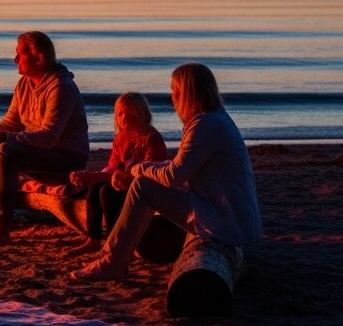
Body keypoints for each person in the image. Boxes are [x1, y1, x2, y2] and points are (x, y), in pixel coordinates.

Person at [71, 63, 262, 281]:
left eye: (174, 90)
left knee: (142, 187)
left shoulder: (205, 126)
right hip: (228, 214)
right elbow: (179, 167)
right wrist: (142, 169)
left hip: (226, 221)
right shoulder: (214, 120)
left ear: (185, 93)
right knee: (143, 183)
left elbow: (173, 176)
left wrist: (135, 168)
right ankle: (113, 257)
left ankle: (112, 262)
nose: (171, 95)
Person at [0, 31, 89, 248]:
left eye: (20, 54)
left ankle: (1, 227)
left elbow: (48, 138)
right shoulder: (25, 84)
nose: (15, 59)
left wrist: (2, 138)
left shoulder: (61, 87)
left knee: (7, 150)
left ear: (39, 58)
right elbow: (10, 124)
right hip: (34, 154)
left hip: (65, 161)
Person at [67, 92, 167, 255]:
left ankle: (115, 242)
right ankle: (94, 238)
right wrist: (92, 176)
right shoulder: (121, 137)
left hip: (142, 187)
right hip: (122, 183)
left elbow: (147, 173)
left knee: (106, 193)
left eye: (130, 115)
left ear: (142, 115)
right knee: (95, 187)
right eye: (120, 114)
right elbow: (112, 168)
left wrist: (96, 176)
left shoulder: (151, 138)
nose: (124, 119)